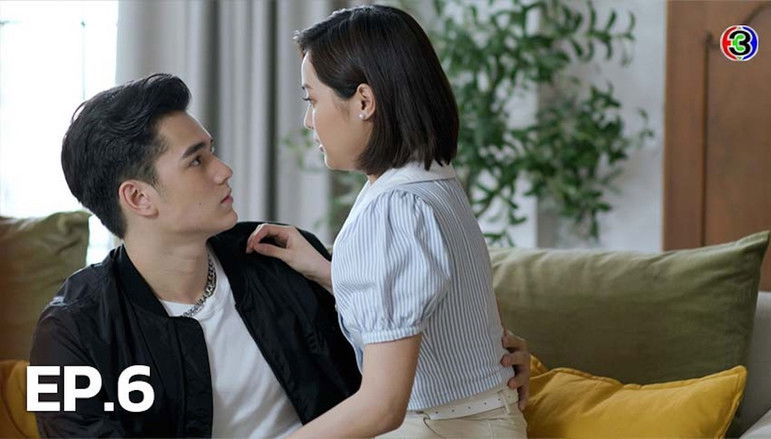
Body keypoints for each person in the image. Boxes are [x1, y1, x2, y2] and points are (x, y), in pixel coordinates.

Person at [29, 73, 530, 438]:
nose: (224, 170)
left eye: (212, 150)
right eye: (197, 161)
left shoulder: (281, 258)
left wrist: (492, 367)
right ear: (139, 198)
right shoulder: (70, 331)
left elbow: (397, 335)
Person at [245, 4, 528, 439]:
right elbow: (423, 295)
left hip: (439, 426)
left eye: (312, 100)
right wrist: (326, 270)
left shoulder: (395, 207)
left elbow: (382, 406)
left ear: (364, 101)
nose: (308, 121)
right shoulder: (432, 181)